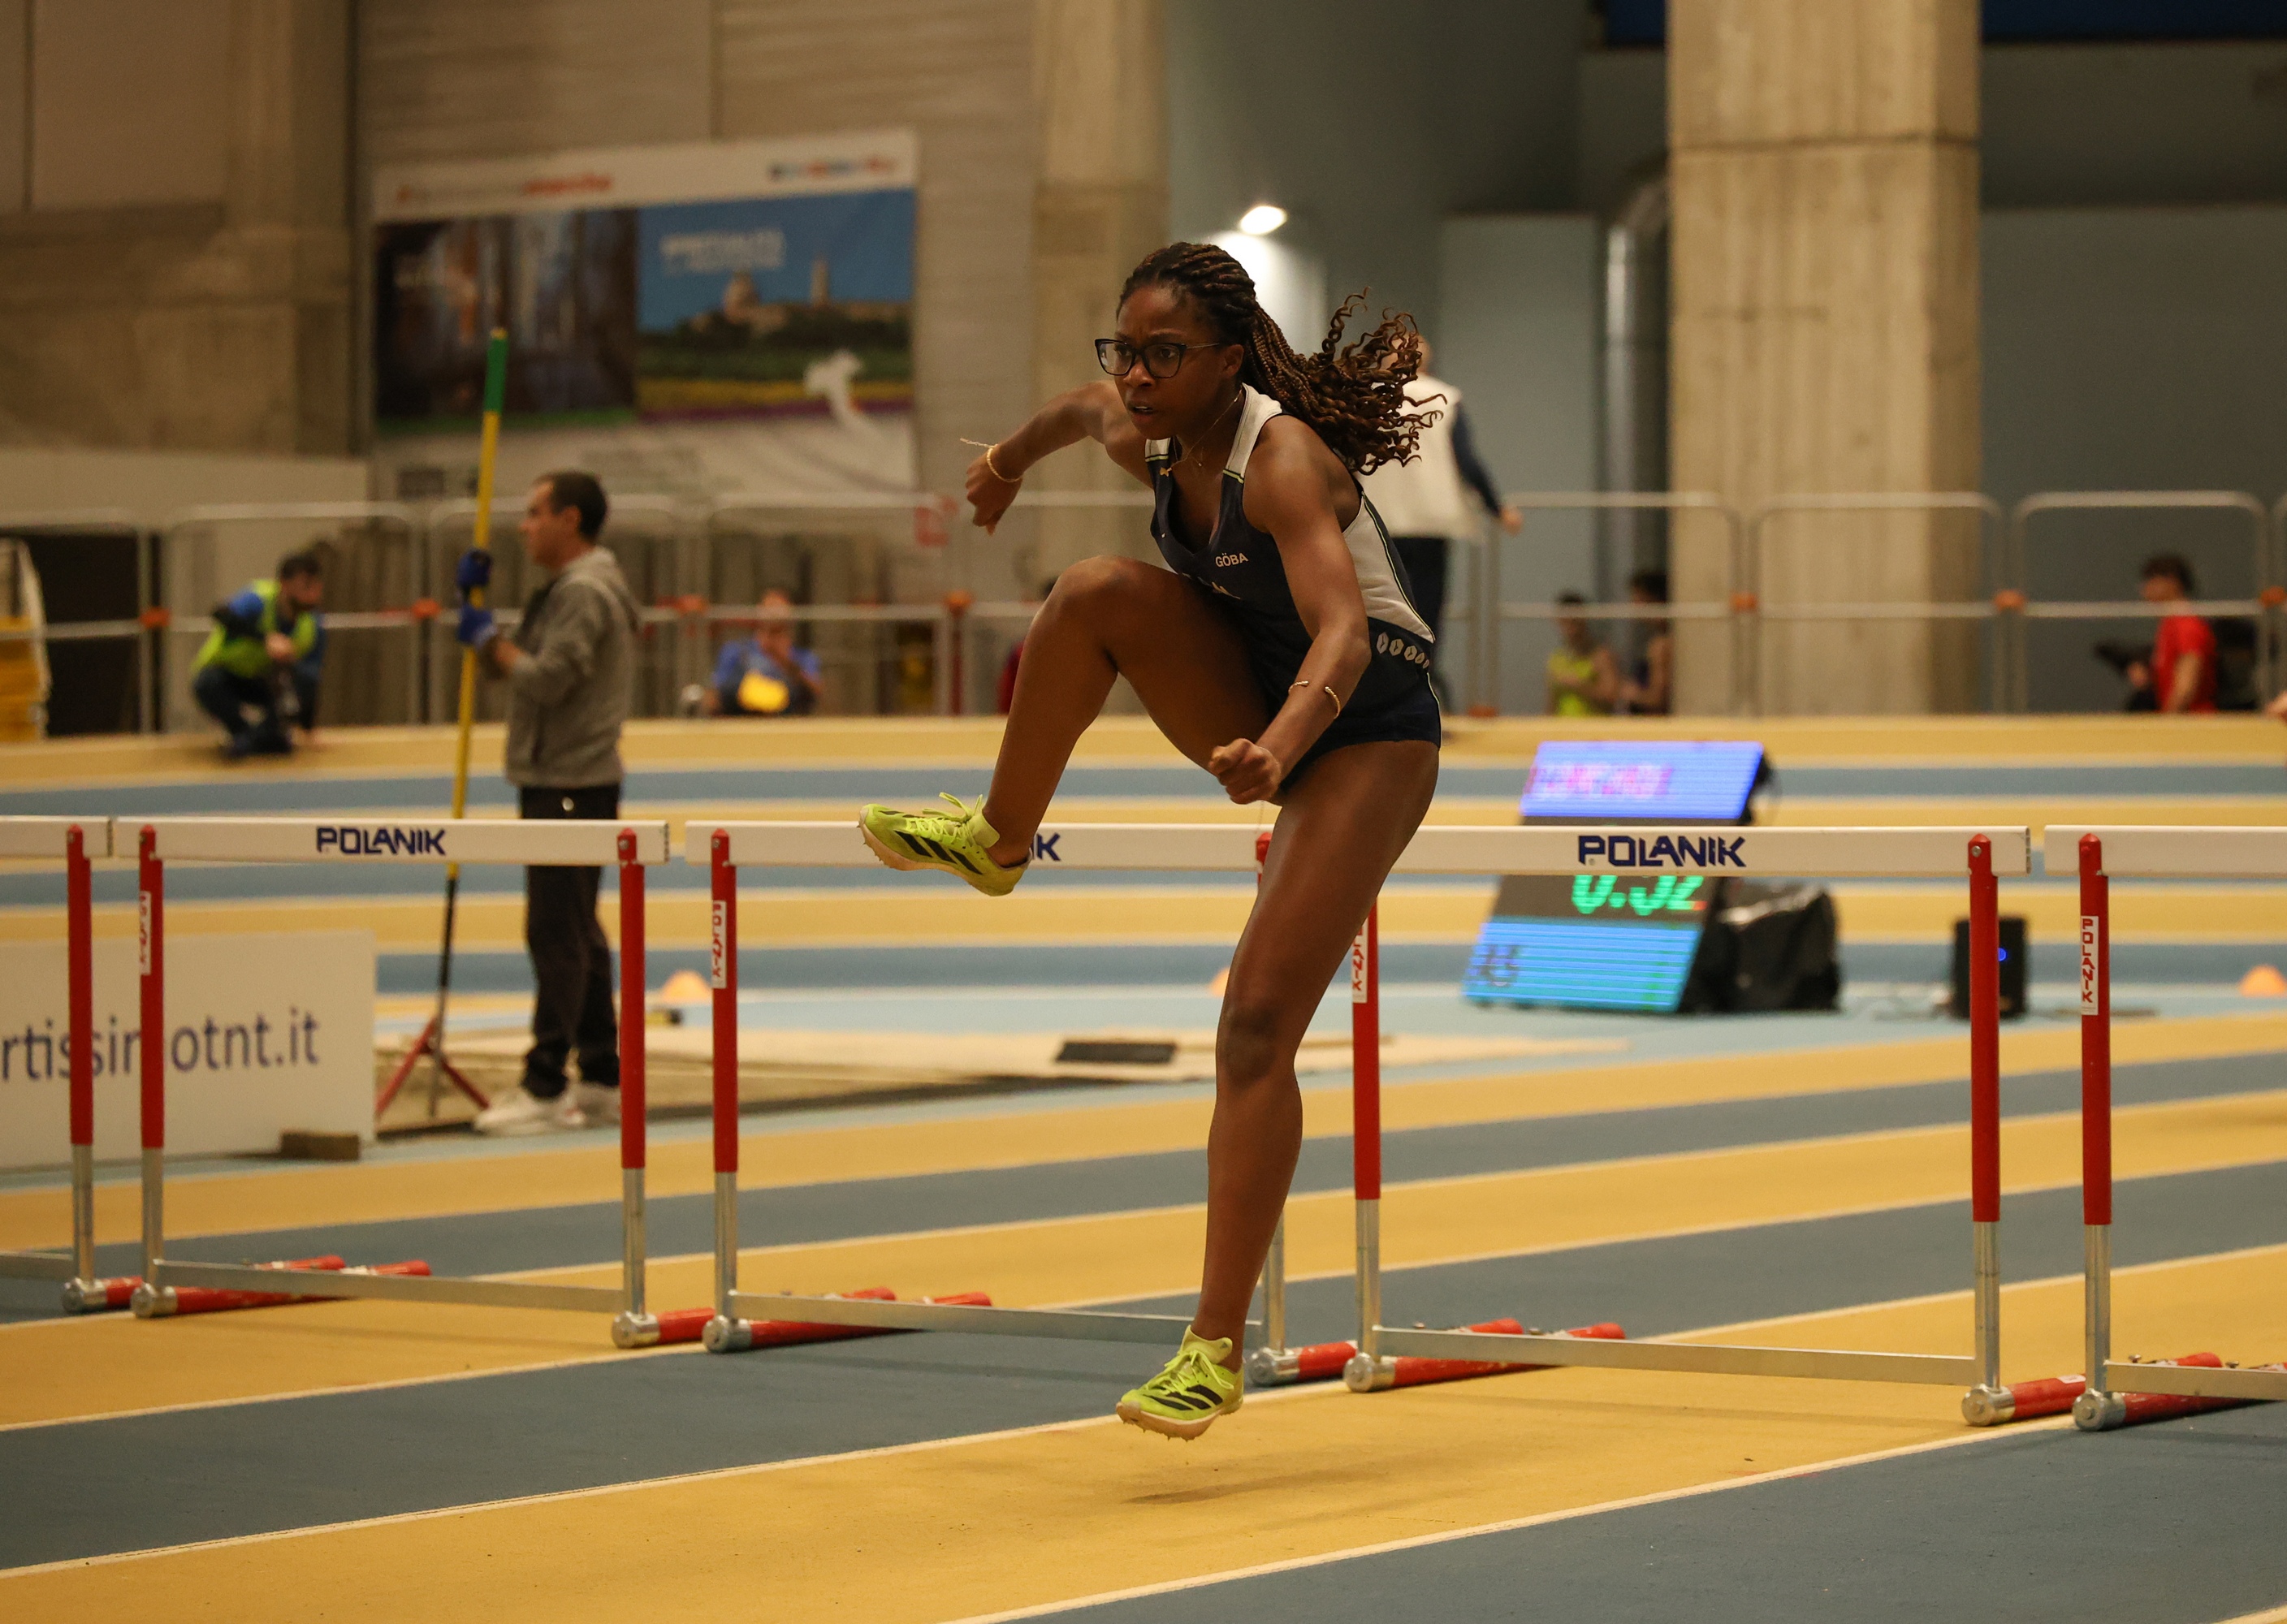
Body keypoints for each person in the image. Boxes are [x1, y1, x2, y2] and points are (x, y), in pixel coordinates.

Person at [855, 242, 1440, 1440]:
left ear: (1229, 361)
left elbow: (1341, 633)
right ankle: (998, 839)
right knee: (1091, 590)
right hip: (1256, 700)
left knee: (1255, 1027)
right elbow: (1076, 411)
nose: (1133, 376)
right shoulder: (1151, 429)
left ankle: (1213, 1351)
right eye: (1125, 350)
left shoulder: (1282, 460)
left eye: (1162, 355)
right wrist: (1002, 464)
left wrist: (1277, 748)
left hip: (1366, 730)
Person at [452, 471, 641, 1136]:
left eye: (535, 513)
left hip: (569, 781)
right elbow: (519, 667)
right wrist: (477, 613)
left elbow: (547, 678)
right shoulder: (568, 589)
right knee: (578, 929)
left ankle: (545, 1082)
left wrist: (487, 639)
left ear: (570, 520)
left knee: (556, 932)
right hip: (566, 778)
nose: (523, 526)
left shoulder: (584, 592)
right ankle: (601, 1075)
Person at [1360, 337, 1520, 699]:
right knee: (1426, 613)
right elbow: (1467, 461)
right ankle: (1418, 690)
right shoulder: (1446, 397)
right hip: (1431, 523)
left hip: (1378, 523)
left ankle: (1379, 692)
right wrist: (1498, 509)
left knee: (1378, 611)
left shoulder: (1368, 399)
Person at [191, 549, 326, 758]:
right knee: (208, 683)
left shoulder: (313, 625)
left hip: (264, 681)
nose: (313, 594)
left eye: (316, 586)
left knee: (302, 682)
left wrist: (308, 728)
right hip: (225, 675)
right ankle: (245, 734)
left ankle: (256, 740)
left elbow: (310, 678)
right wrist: (265, 639)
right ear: (284, 584)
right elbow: (221, 613)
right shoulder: (260, 599)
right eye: (306, 586)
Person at [703, 589, 823, 716]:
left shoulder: (803, 657)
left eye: (778, 607)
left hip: (784, 723)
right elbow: (714, 695)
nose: (773, 613)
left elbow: (815, 693)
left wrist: (785, 661)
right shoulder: (735, 651)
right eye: (769, 607)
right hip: (741, 721)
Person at [2131, 554, 2216, 715]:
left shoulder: (2187, 625)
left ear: (2171, 582)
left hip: (2192, 722)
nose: (2145, 590)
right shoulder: (2169, 625)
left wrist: (2167, 721)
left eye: (2151, 582)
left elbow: (2185, 687)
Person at [1546, 591, 1619, 716]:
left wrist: (1580, 686)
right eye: (1565, 620)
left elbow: (1612, 698)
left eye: (1574, 620)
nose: (1570, 626)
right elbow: (1551, 704)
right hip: (1561, 726)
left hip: (1592, 726)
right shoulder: (1556, 659)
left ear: (1584, 619)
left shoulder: (1601, 656)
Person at [1617, 568, 1672, 715]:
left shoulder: (1661, 646)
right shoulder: (1655, 638)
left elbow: (1658, 700)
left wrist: (1632, 693)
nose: (1633, 606)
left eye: (1638, 599)